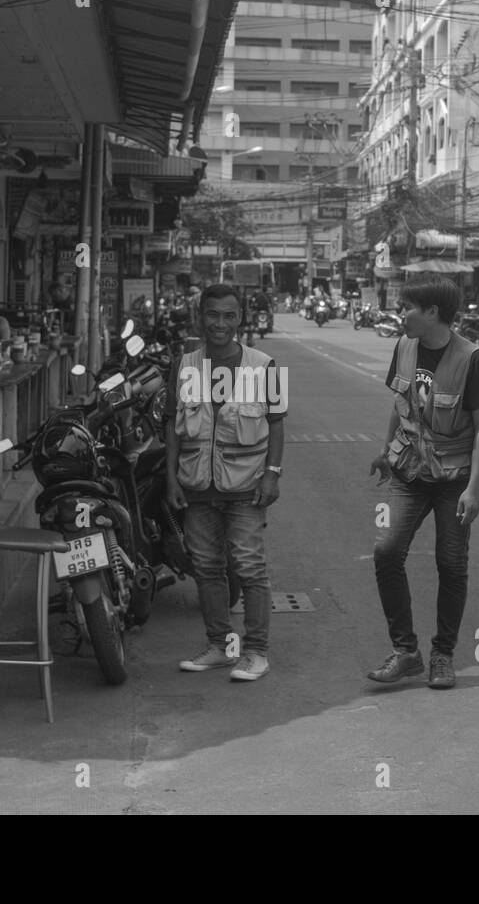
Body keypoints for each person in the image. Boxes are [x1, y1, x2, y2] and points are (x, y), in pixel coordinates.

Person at [367, 276, 479, 689]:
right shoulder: (404, 346)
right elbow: (400, 404)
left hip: (453, 478)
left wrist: (474, 488)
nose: (401, 315)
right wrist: (384, 450)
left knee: (451, 563)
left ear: (432, 313)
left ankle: (442, 655)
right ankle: (406, 651)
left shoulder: (472, 359)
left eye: (408, 307)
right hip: (409, 471)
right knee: (387, 552)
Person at [165, 283, 285, 682]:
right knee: (206, 568)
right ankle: (220, 646)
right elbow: (172, 427)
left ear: (240, 319)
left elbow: (276, 424)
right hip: (197, 487)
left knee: (249, 568)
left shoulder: (264, 365)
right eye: (213, 314)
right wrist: (170, 480)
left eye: (229, 316)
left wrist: (273, 474)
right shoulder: (185, 366)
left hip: (247, 488)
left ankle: (256, 652)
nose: (220, 323)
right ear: (201, 316)